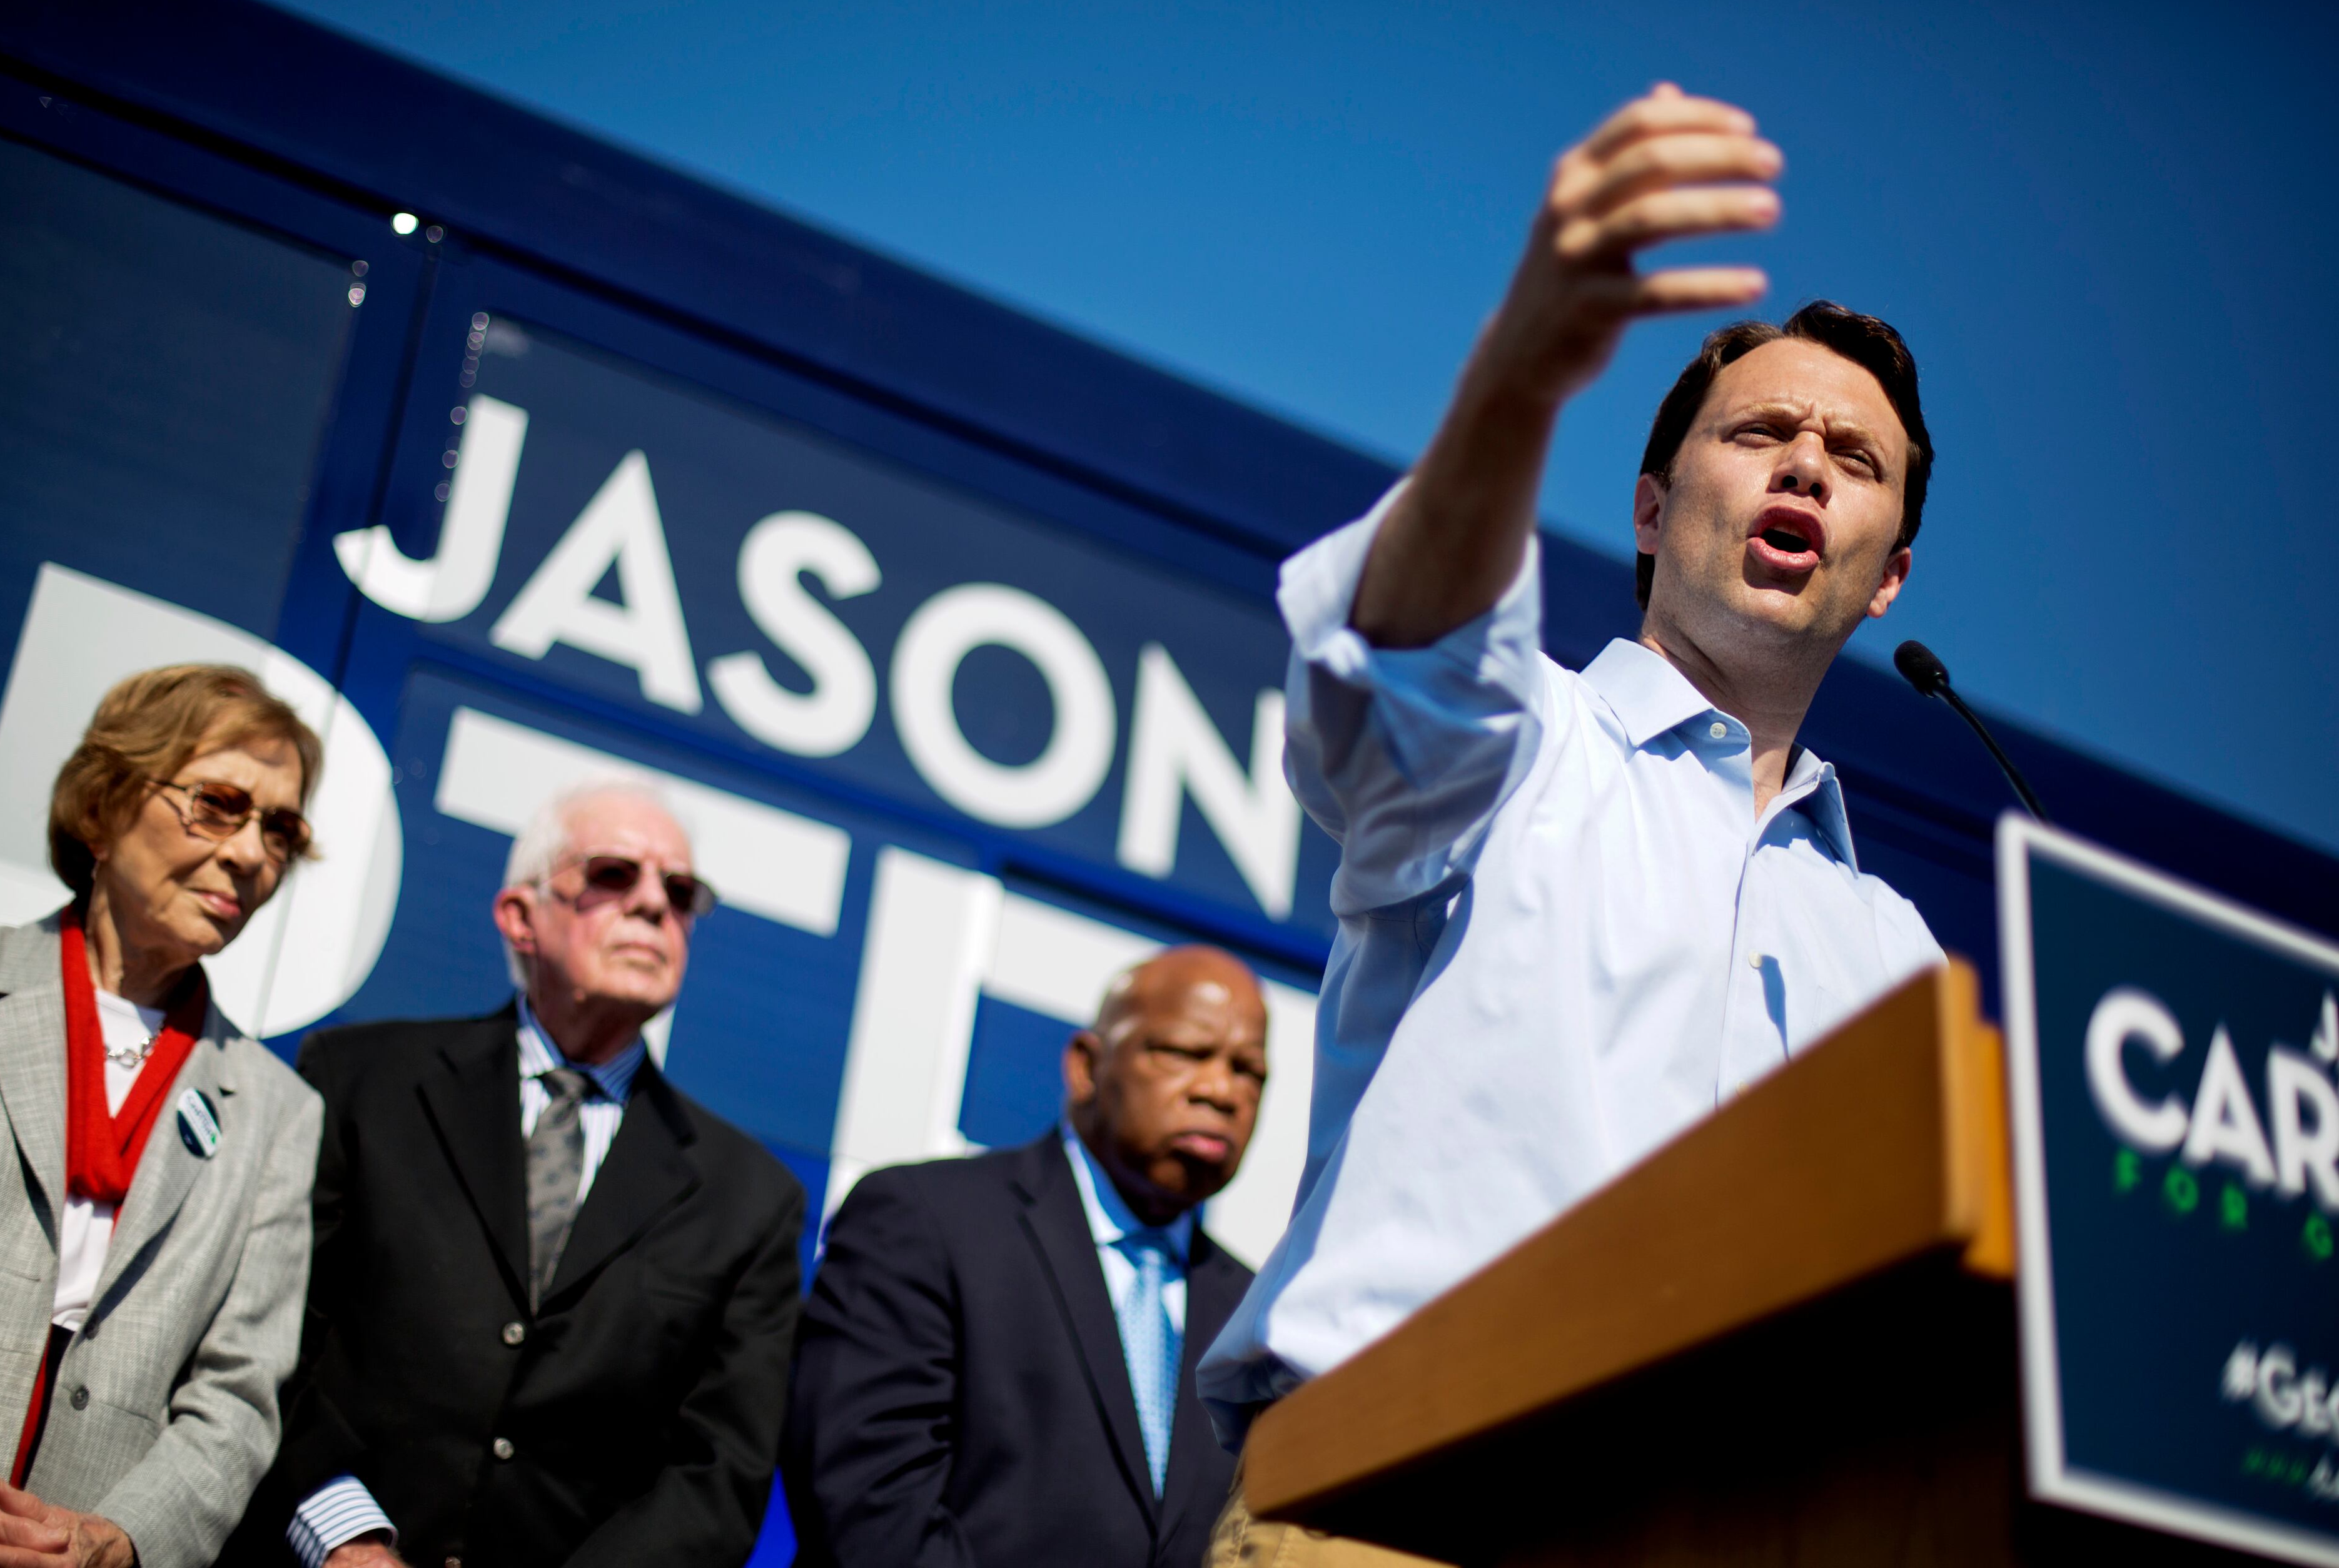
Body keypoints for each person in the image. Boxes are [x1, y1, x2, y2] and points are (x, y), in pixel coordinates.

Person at [1196, 84, 1947, 1560]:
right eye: (1760, 433)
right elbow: (1401, 649)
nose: (1803, 463)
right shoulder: (1520, 741)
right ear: (1655, 510)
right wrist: (1525, 365)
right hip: (1402, 1501)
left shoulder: (1898, 956)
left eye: (1851, 459)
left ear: (1887, 579)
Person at [220, 781, 805, 1568]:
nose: (652, 906)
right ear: (520, 916)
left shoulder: (749, 1199)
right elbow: (267, 1338)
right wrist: (343, 1537)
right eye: (612, 874)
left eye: (679, 890)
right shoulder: (365, 1084)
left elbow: (717, 1477)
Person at [0, 664, 326, 1568]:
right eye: (220, 804)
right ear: (102, 809)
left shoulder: (280, 1112)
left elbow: (238, 1398)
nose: (250, 854)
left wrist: (120, 1544)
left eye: (280, 828)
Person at [784, 944, 1269, 1568]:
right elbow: (869, 1503)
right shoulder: (927, 1219)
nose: (1220, 1090)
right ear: (1087, 1066)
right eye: (1184, 1052)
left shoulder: (1258, 1317)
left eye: (1248, 1070)